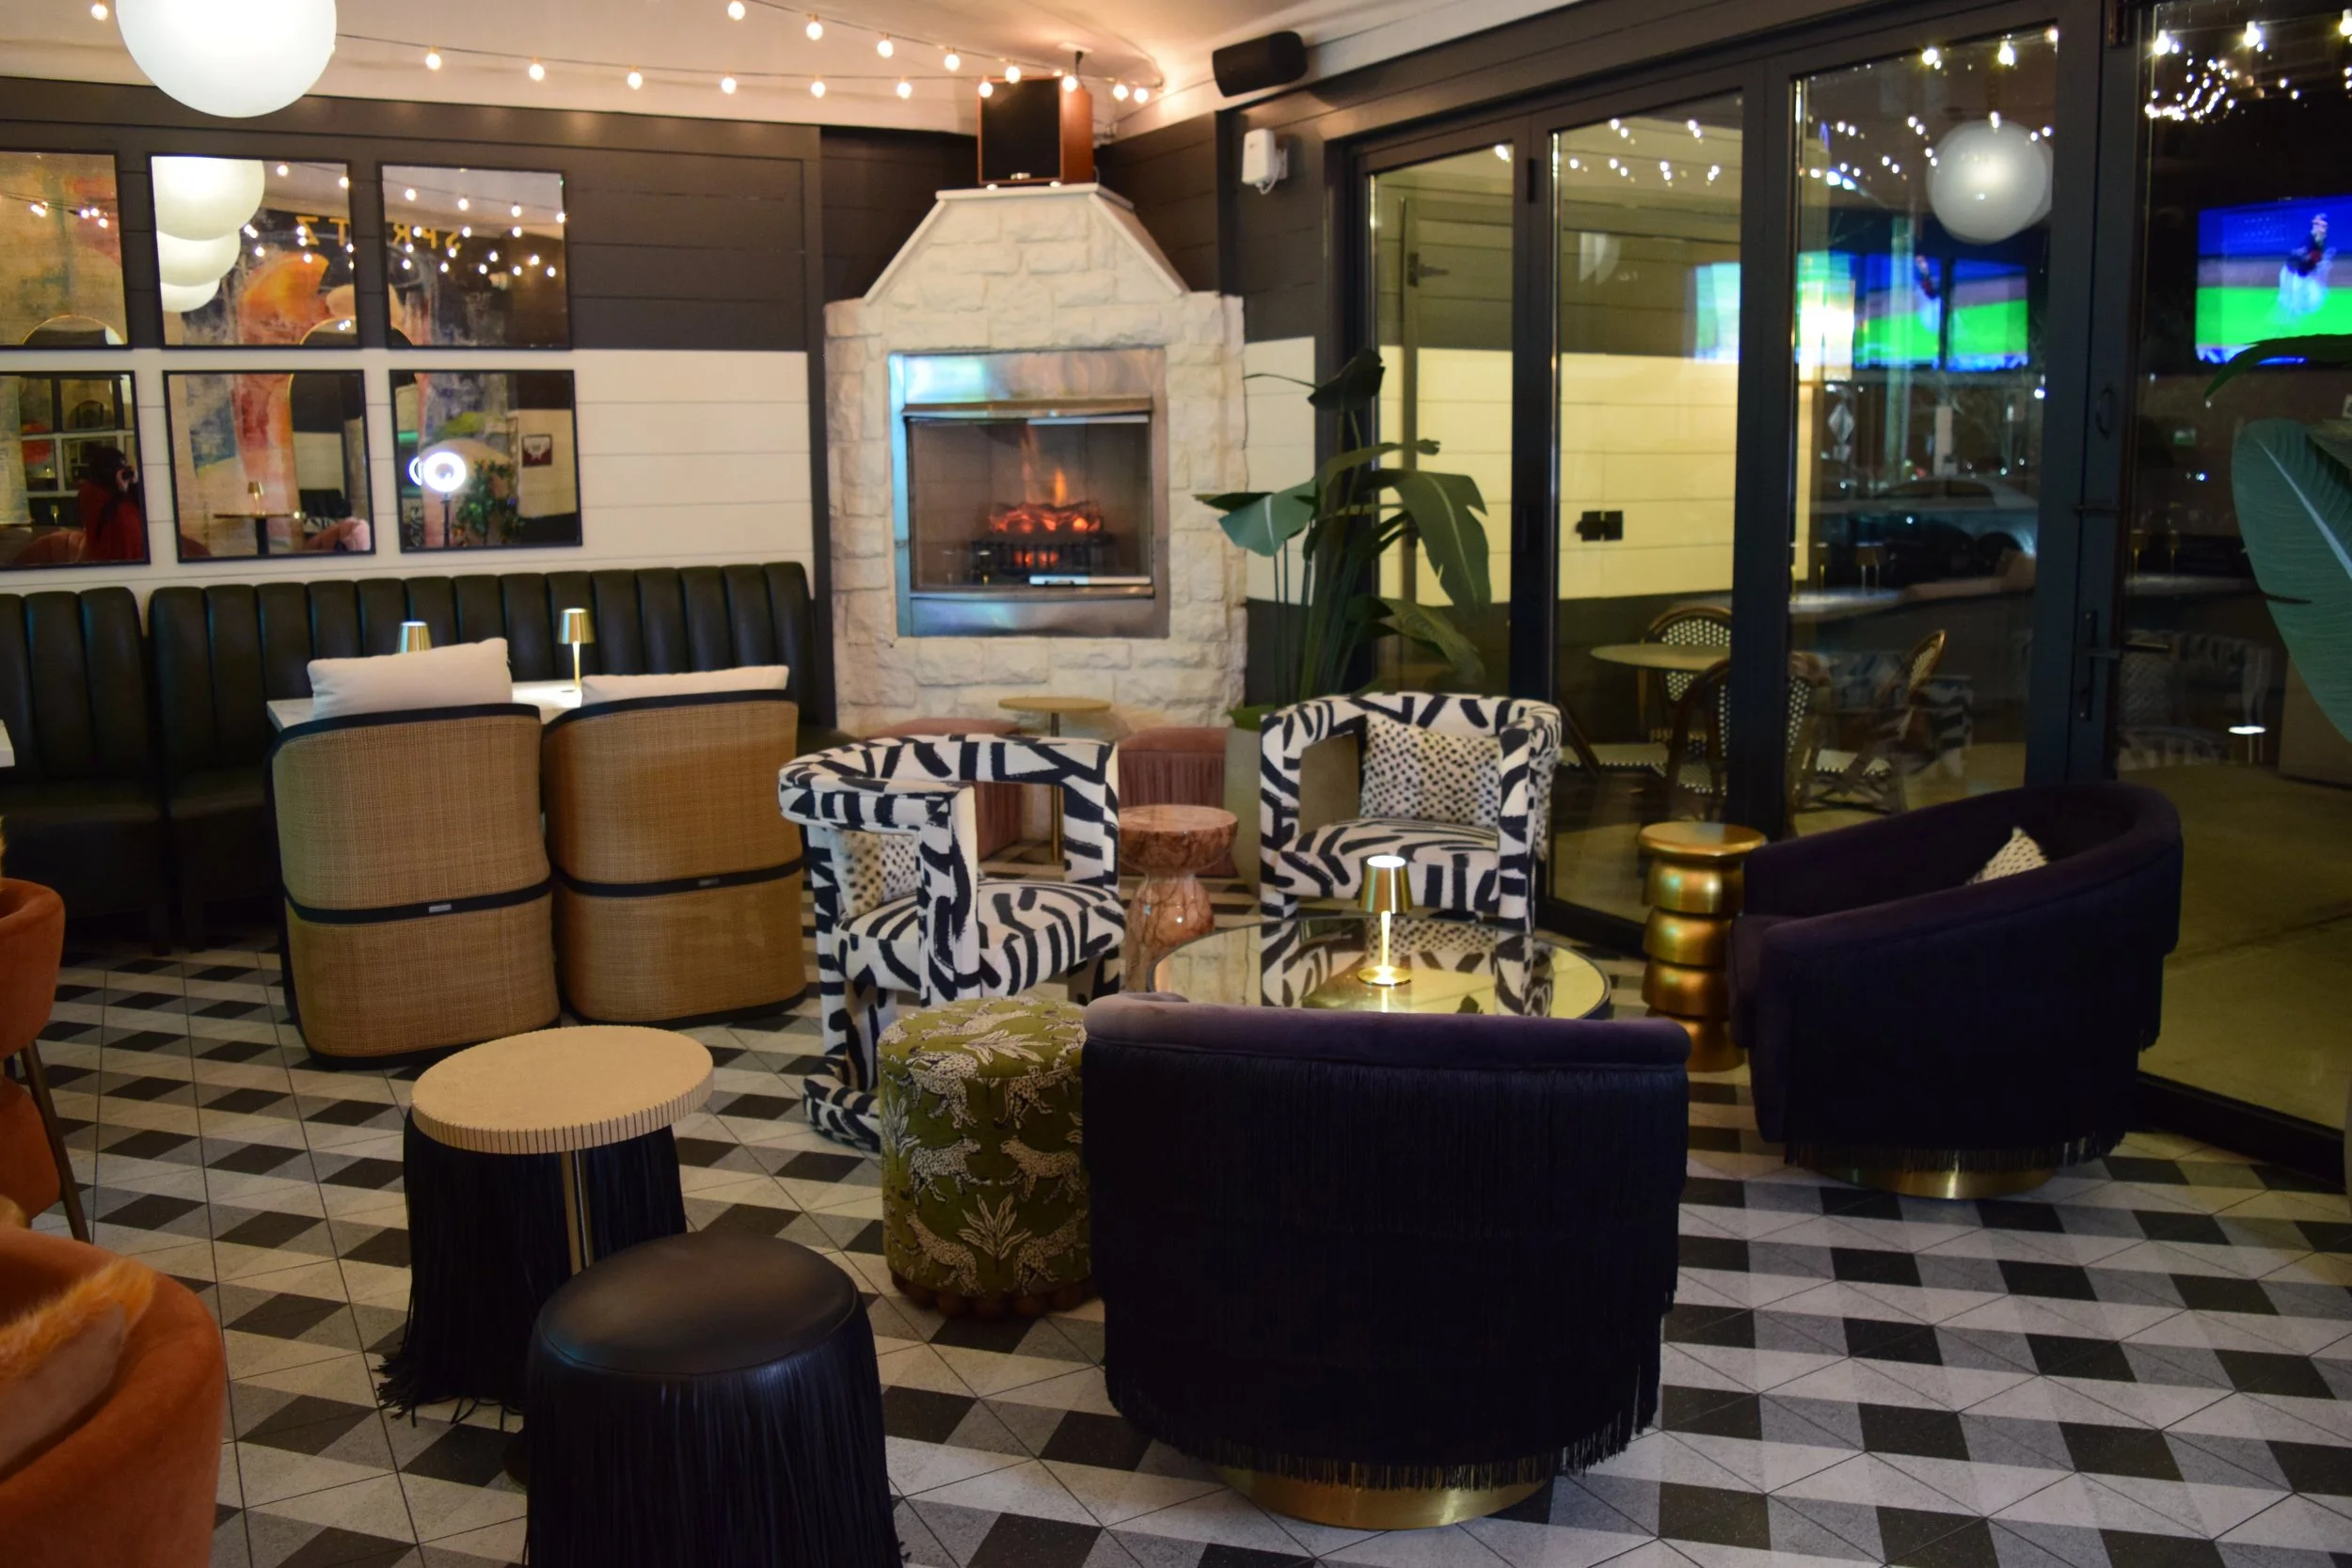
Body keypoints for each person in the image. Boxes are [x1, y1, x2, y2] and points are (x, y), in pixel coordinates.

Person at [73, 445, 147, 562]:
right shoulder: (90, 491)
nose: (122, 472)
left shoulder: (125, 489)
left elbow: (144, 510)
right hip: (111, 559)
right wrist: (120, 492)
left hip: (138, 556)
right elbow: (103, 519)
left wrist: (135, 485)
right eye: (119, 468)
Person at [2279, 213, 2332, 321]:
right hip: (2292, 273)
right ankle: (2283, 321)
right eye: (2317, 224)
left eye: (2323, 225)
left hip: (2304, 274)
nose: (2321, 228)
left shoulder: (2321, 241)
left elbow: (2316, 260)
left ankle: (2290, 314)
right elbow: (2299, 262)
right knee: (2293, 303)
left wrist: (2321, 263)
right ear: (2314, 225)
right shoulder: (2308, 241)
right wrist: (2315, 262)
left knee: (2315, 299)